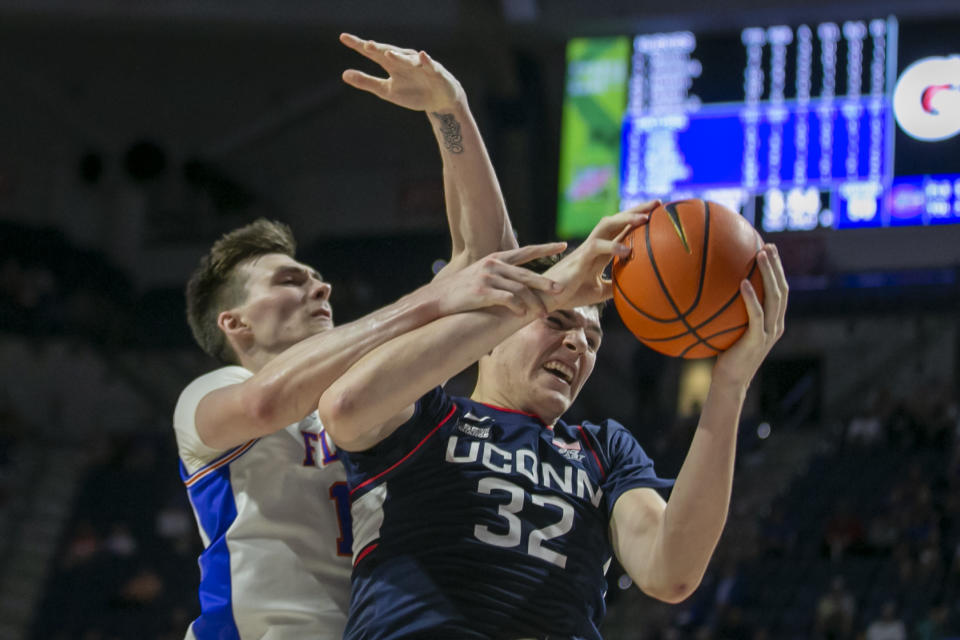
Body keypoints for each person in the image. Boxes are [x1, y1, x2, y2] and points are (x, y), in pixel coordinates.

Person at [172, 34, 548, 639]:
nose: (320, 289)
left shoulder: (370, 378)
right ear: (234, 323)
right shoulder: (209, 395)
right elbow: (270, 403)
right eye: (291, 280)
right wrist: (432, 300)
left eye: (319, 279)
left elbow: (488, 261)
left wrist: (450, 110)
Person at [318, 208, 789, 639]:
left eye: (592, 337)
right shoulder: (427, 415)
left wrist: (730, 385)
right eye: (557, 321)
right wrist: (533, 298)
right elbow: (344, 407)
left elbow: (671, 572)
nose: (579, 344)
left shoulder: (604, 449)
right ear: (492, 335)